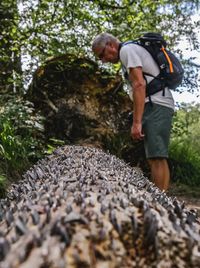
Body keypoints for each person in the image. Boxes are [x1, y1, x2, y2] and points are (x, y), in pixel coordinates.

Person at [92, 33, 174, 191]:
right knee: (153, 157)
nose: (103, 60)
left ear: (110, 45)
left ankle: (161, 203)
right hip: (154, 104)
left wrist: (136, 123)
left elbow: (139, 85)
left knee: (157, 157)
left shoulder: (127, 51)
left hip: (157, 103)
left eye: (102, 54)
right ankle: (159, 199)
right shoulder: (128, 52)